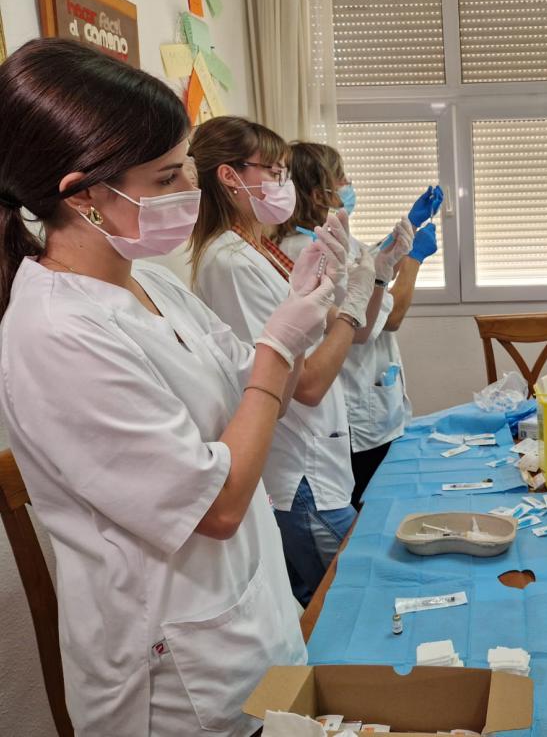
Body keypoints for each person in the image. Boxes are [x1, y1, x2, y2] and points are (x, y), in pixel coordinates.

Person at [0, 39, 340, 735]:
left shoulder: (150, 282)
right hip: (178, 681)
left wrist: (293, 317)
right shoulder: (55, 332)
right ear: (84, 194)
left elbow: (254, 389)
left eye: (186, 165)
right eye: (166, 176)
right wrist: (279, 348)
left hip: (249, 622)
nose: (192, 186)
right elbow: (216, 505)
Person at [188, 118, 411, 605]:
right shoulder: (229, 262)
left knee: (340, 596)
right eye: (274, 171)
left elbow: (353, 331)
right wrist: (351, 306)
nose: (282, 183)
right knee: (358, 601)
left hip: (322, 460)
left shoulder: (261, 249)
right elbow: (304, 384)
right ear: (231, 177)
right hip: (299, 470)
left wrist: (377, 276)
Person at [278, 142, 442, 505]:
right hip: (356, 407)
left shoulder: (326, 237)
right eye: (340, 177)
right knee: (371, 507)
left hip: (370, 400)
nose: (349, 183)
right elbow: (386, 317)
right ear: (317, 192)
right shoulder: (310, 252)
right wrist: (413, 260)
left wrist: (409, 226)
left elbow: (369, 262)